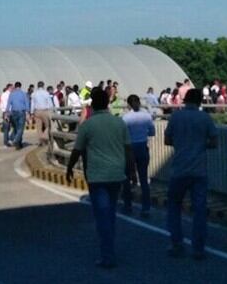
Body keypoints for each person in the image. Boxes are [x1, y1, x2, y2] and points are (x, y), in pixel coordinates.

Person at [66, 88, 134, 269]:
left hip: (96, 176)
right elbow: (128, 150)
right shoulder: (119, 123)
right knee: (110, 213)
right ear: (107, 103)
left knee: (102, 215)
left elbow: (77, 150)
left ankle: (108, 255)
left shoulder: (88, 125)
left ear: (93, 104)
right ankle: (109, 247)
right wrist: (132, 172)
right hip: (117, 174)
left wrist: (70, 167)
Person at [164, 88, 218, 260]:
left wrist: (181, 143)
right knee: (200, 210)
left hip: (179, 169)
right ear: (200, 101)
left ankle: (177, 243)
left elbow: (167, 140)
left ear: (185, 100)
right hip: (199, 170)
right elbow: (214, 141)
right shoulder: (205, 118)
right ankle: (198, 248)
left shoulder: (176, 117)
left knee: (174, 206)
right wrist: (200, 145)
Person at [121, 94, 155, 217]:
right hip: (142, 147)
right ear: (139, 102)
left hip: (129, 149)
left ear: (128, 104)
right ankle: (146, 208)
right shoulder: (147, 116)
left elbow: (122, 135)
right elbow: (152, 132)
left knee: (127, 177)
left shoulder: (125, 118)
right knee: (144, 178)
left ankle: (128, 205)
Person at [6, 82, 30, 149]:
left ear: (15, 86)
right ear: (20, 86)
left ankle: (19, 144)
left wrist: (7, 113)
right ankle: (16, 140)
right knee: (20, 129)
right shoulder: (23, 94)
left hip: (13, 113)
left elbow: (8, 104)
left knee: (16, 128)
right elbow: (27, 103)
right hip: (21, 112)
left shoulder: (12, 94)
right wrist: (28, 112)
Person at [31, 81, 53, 146]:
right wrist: (51, 110)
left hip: (36, 111)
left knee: (39, 127)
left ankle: (41, 141)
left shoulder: (34, 93)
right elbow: (50, 103)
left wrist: (32, 113)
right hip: (45, 111)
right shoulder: (46, 93)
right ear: (43, 86)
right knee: (48, 126)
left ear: (37, 86)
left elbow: (32, 104)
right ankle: (44, 136)